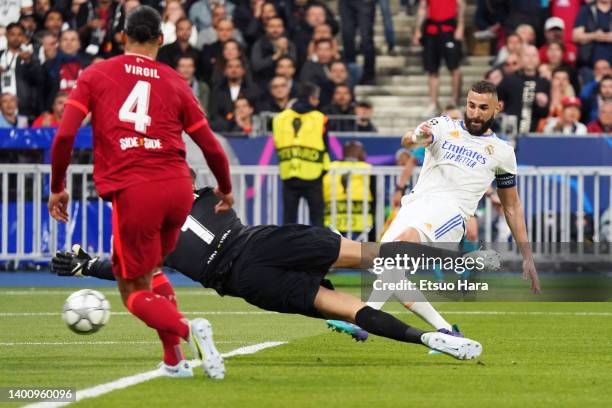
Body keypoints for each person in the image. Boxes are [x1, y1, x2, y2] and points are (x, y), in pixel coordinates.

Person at [52, 186, 486, 362]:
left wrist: (87, 265)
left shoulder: (153, 231)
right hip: (259, 248)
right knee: (368, 263)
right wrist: (89, 263)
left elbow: (127, 270)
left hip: (246, 275)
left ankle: (433, 336)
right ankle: (437, 320)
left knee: (353, 300)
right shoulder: (188, 197)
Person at [47, 6, 234, 380]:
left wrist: (58, 188)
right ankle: (174, 361)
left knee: (132, 290)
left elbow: (65, 134)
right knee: (151, 272)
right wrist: (225, 189)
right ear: (161, 40)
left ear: (122, 37)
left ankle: (187, 328)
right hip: (179, 188)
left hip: (135, 189)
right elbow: (210, 145)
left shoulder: (97, 73)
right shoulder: (177, 81)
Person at [368, 81, 540, 334]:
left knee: (401, 246)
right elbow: (408, 141)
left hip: (451, 213)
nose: (475, 113)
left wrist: (527, 254)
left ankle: (362, 319)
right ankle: (448, 331)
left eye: (483, 107)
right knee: (390, 272)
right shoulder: (443, 125)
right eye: (471, 105)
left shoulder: (503, 152)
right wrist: (416, 138)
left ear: (497, 108)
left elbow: (512, 207)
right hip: (415, 205)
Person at [273, 82, 330, 227]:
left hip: (289, 174)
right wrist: (324, 169)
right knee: (318, 222)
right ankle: (318, 249)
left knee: (289, 222)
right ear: (311, 98)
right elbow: (325, 146)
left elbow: (277, 144)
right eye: (316, 98)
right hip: (314, 176)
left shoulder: (279, 118)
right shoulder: (320, 118)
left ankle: (289, 249)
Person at [413, 0, 466, 115]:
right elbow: (422, 7)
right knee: (432, 70)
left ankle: (454, 102)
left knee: (454, 68)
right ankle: (433, 103)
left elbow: (461, 5)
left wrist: (461, 26)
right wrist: (418, 30)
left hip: (449, 30)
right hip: (431, 31)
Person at [497, 45, 550, 133]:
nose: (530, 59)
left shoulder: (544, 82)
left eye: (534, 55)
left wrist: (542, 105)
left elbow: (544, 114)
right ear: (520, 59)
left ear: (538, 59)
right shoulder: (509, 80)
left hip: (534, 134)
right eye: (527, 55)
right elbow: (497, 101)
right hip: (510, 132)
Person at [338, 0, 376, 85]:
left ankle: (369, 75)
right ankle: (350, 73)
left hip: (364, 3)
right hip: (346, 3)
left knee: (366, 38)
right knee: (347, 37)